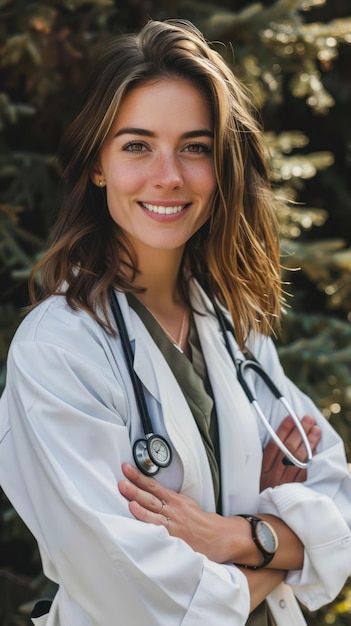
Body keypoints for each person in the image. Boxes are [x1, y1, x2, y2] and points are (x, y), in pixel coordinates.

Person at [0, 18, 350, 626]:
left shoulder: (235, 328)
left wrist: (230, 537)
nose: (169, 176)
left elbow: (340, 507)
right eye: (137, 145)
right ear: (98, 165)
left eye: (195, 147)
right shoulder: (58, 350)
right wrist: (281, 549)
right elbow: (128, 584)